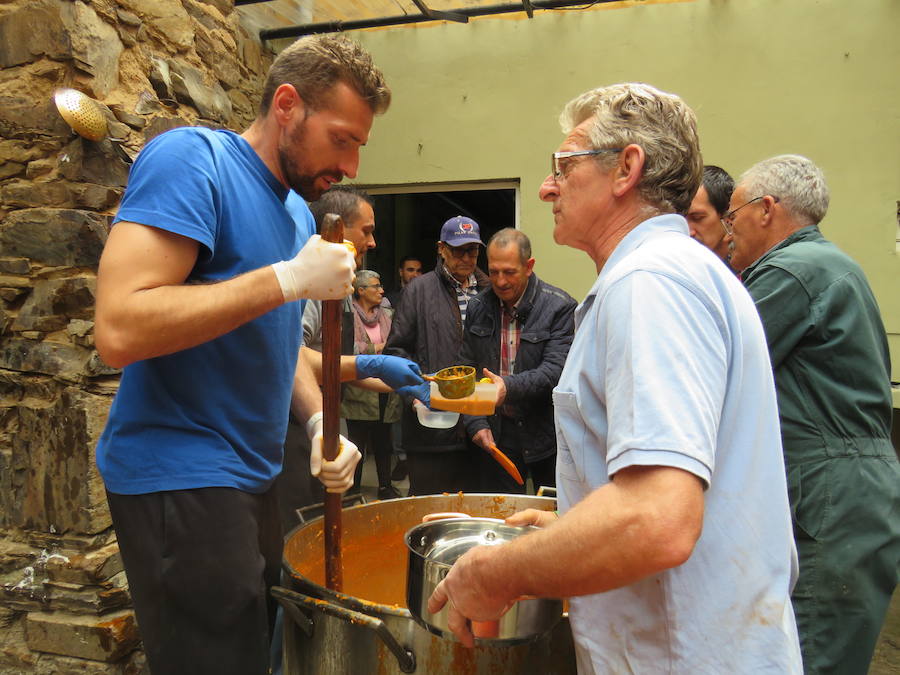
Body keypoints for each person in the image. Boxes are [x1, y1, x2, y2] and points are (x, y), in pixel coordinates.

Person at [428, 83, 802, 673]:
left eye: (563, 167)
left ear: (626, 168)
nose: (549, 187)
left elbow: (658, 520)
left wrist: (497, 573)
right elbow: (682, 492)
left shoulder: (650, 281)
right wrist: (569, 524)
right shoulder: (674, 273)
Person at [93, 35, 425, 675]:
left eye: (360, 144)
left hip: (253, 477)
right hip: (180, 471)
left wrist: (318, 419)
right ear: (287, 105)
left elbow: (280, 349)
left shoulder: (299, 217)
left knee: (262, 654)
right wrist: (286, 280)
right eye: (342, 139)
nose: (352, 165)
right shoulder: (195, 161)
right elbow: (120, 326)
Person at [726, 154, 900, 674]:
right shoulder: (828, 265)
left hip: (832, 491)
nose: (727, 230)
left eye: (731, 215)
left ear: (767, 209)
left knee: (813, 657)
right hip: (849, 484)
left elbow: (717, 368)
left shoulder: (790, 273)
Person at [458, 227, 576, 493]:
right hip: (498, 432)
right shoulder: (479, 306)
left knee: (551, 514)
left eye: (509, 272)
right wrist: (475, 423)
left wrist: (507, 388)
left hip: (546, 433)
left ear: (529, 266)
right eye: (494, 271)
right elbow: (467, 370)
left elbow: (555, 371)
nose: (500, 281)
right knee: (504, 517)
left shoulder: (559, 306)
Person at [384, 216, 491, 495]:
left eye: (473, 250)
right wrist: (415, 395)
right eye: (458, 250)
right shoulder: (418, 291)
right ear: (441, 248)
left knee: (474, 513)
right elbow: (395, 351)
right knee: (429, 512)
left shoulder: (489, 291)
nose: (467, 258)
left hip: (480, 428)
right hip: (431, 430)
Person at [344, 270, 403, 499]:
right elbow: (348, 347)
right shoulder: (348, 313)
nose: (381, 290)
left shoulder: (388, 313)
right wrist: (377, 349)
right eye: (375, 287)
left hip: (386, 383)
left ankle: (385, 486)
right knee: (356, 443)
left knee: (383, 441)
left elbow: (395, 343)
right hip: (359, 385)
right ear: (360, 291)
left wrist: (376, 350)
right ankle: (353, 490)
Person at [686, 164, 735, 265]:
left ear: (728, 217)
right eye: (680, 219)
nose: (688, 232)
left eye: (697, 218)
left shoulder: (750, 271)